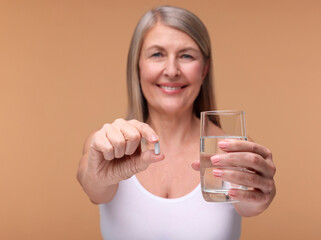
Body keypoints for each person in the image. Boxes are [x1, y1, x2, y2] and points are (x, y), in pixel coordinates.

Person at [77, 5, 276, 240]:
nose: (171, 71)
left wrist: (258, 195)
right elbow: (92, 186)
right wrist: (94, 170)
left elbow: (249, 205)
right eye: (157, 54)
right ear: (137, 65)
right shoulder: (109, 146)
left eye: (186, 55)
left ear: (204, 70)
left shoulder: (230, 149)